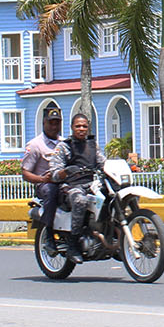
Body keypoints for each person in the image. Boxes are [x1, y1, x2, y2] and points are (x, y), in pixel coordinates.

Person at [47, 112, 103, 256]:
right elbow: (54, 173)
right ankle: (73, 243)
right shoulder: (64, 146)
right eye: (78, 126)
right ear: (72, 127)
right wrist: (66, 172)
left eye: (84, 126)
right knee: (80, 200)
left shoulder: (92, 145)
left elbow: (103, 163)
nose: (81, 129)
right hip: (71, 187)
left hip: (91, 185)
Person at [20, 108, 65, 254]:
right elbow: (25, 173)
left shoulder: (65, 143)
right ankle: (50, 236)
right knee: (52, 191)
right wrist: (41, 179)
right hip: (45, 185)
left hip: (64, 183)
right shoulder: (35, 145)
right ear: (44, 123)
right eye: (51, 123)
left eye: (57, 123)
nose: (54, 127)